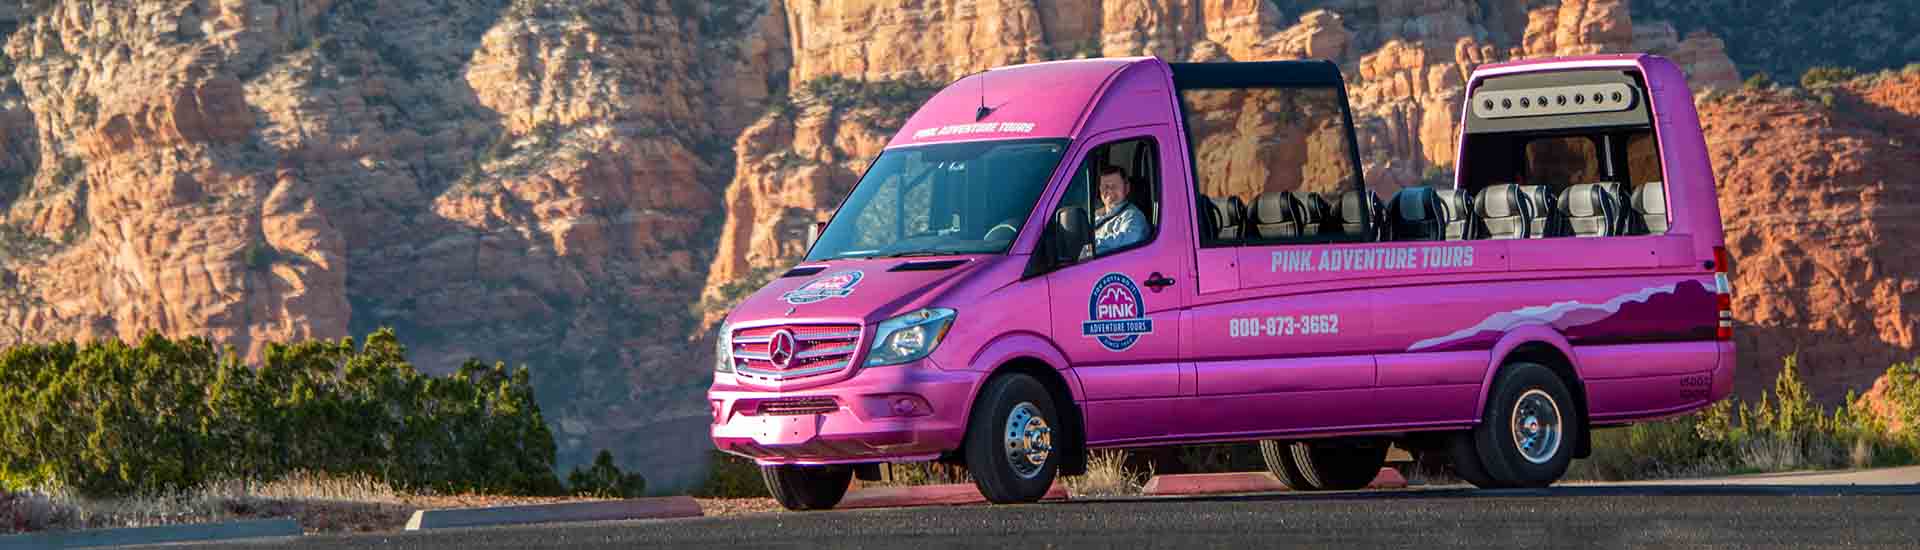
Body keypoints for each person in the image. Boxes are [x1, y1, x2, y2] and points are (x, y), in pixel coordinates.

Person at [1092, 165, 1147, 252]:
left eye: (1115, 186)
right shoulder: (1092, 214)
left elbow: (1131, 239)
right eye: (1105, 186)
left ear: (1127, 188)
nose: (1109, 191)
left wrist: (1090, 246)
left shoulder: (1133, 216)